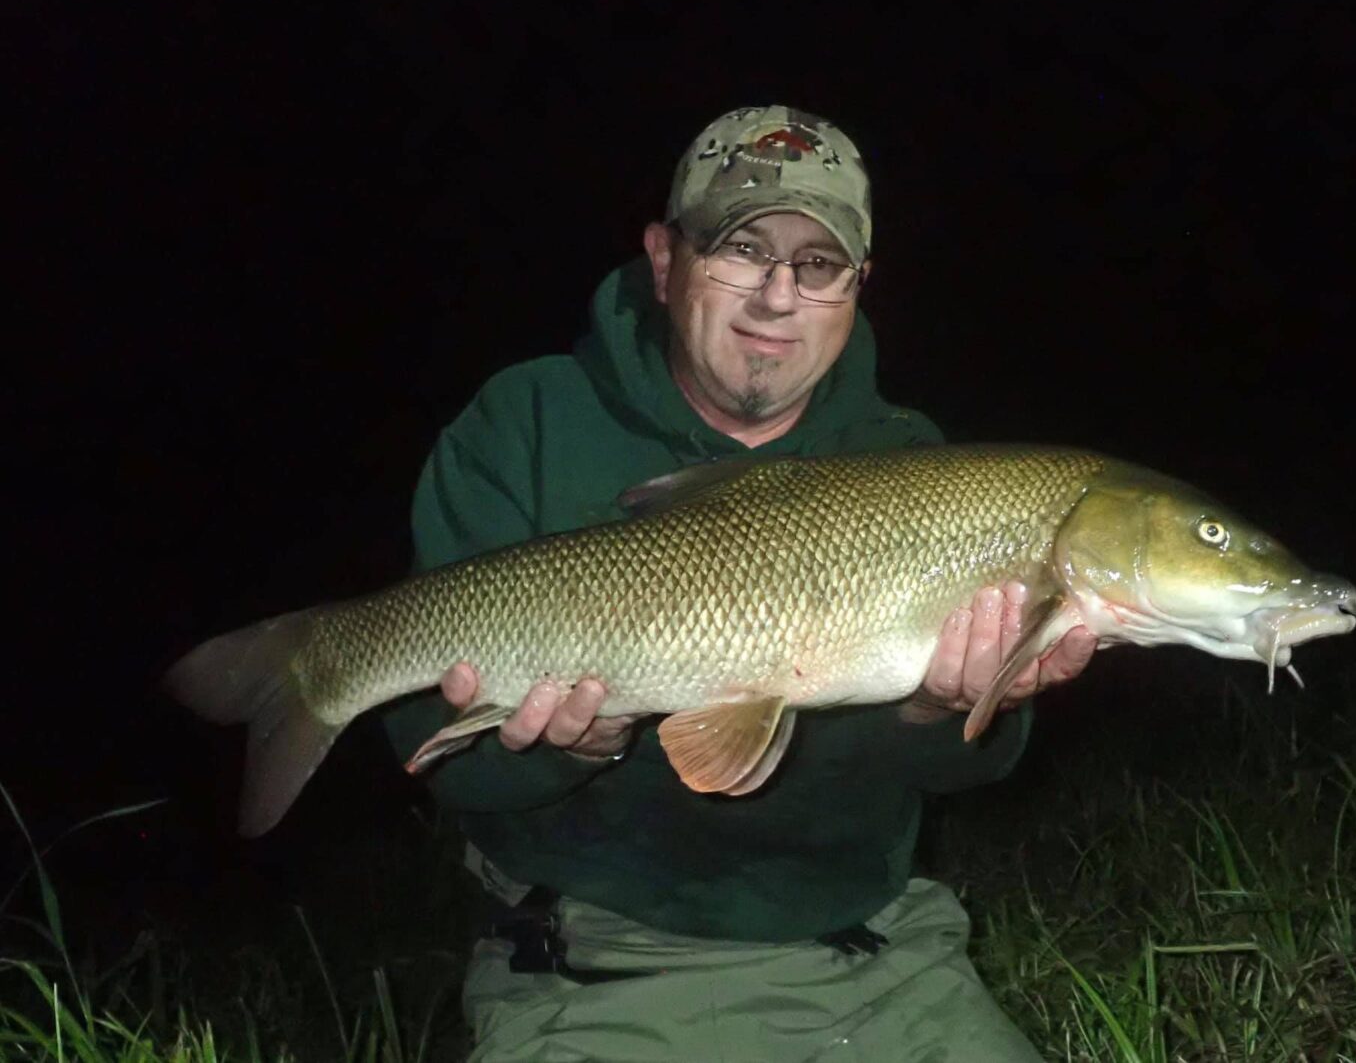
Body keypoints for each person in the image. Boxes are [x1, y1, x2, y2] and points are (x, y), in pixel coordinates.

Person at [380, 105, 1096, 1061]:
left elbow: (971, 768)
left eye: (817, 264)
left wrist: (938, 710)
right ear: (665, 260)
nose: (775, 295)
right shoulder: (527, 423)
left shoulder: (911, 461)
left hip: (872, 953)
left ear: (858, 287)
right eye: (740, 248)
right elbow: (436, 752)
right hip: (591, 960)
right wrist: (568, 749)